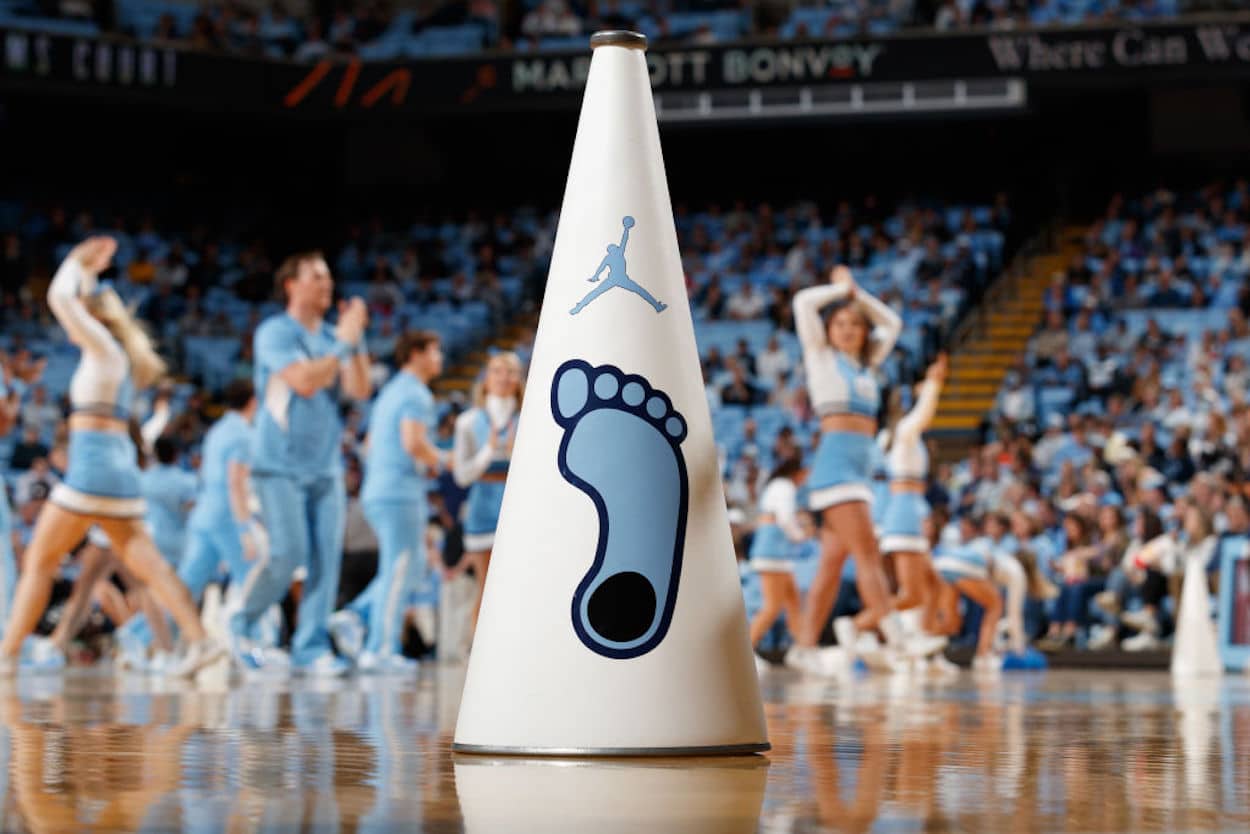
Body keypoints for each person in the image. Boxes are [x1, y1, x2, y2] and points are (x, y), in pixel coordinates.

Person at [0, 237, 219, 677]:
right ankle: (201, 642)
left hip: (92, 468)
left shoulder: (102, 351)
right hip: (119, 474)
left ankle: (5, 658)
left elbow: (59, 297)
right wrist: (90, 274)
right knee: (150, 567)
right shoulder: (116, 359)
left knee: (40, 562)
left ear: (94, 317)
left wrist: (80, 259)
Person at [229, 250, 372, 676]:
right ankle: (241, 623)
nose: (327, 284)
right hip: (278, 465)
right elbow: (306, 383)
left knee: (327, 562)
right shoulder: (274, 332)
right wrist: (345, 342)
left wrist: (356, 338)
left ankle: (311, 649)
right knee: (287, 554)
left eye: (329, 277)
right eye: (316, 276)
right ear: (291, 284)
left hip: (325, 467)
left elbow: (360, 389)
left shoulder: (333, 336)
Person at [790, 266, 904, 672]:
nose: (847, 329)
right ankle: (899, 641)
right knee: (867, 553)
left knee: (832, 564)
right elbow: (803, 302)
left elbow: (893, 323)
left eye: (855, 323)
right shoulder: (821, 358)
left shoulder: (868, 366)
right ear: (829, 329)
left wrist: (859, 297)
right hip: (836, 470)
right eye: (839, 322)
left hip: (860, 472)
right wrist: (841, 289)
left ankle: (803, 648)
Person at [330, 331, 444, 675]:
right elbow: (414, 443)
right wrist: (445, 460)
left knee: (411, 565)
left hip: (381, 487)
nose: (440, 359)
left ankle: (355, 615)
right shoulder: (414, 394)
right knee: (400, 567)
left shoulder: (390, 393)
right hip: (399, 492)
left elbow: (369, 445)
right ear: (416, 353)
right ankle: (380, 648)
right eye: (435, 351)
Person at [880, 355, 949, 659]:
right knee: (911, 594)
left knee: (933, 586)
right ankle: (858, 628)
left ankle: (922, 641)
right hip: (904, 514)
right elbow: (923, 414)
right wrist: (934, 384)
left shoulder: (910, 438)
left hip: (912, 511)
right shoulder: (904, 433)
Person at [451, 352, 523, 640]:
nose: (504, 378)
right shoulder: (468, 422)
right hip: (482, 503)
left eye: (510, 372)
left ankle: (515, 640)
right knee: (487, 583)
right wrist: (488, 452)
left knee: (518, 580)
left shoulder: (531, 418)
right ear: (486, 378)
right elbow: (461, 475)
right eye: (497, 371)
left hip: (518, 505)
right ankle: (480, 644)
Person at [746, 456, 809, 666]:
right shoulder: (784, 486)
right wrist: (799, 535)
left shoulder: (780, 485)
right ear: (798, 472)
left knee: (793, 603)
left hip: (779, 553)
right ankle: (746, 654)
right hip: (772, 551)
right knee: (772, 606)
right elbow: (785, 518)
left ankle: (802, 649)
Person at [929, 511, 1004, 673]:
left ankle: (934, 657)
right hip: (965, 568)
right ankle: (983, 655)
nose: (962, 529)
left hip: (942, 566)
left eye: (965, 526)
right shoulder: (986, 542)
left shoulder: (960, 545)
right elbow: (988, 565)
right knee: (995, 605)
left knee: (949, 619)